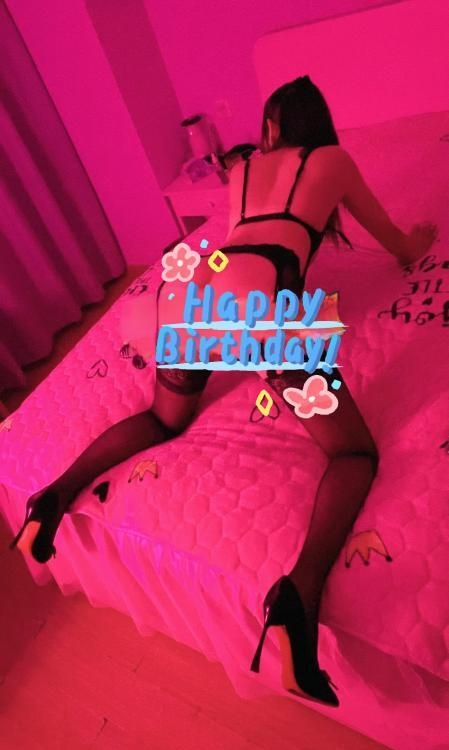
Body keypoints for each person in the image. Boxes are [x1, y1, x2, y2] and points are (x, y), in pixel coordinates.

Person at [10, 75, 438, 707]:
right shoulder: (333, 160)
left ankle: (49, 500)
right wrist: (419, 243)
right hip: (261, 306)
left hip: (192, 300)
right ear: (315, 124)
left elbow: (236, 243)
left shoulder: (241, 170)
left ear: (270, 128)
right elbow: (395, 241)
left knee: (163, 419)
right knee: (352, 453)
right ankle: (297, 600)